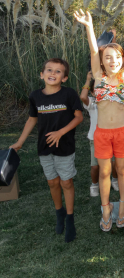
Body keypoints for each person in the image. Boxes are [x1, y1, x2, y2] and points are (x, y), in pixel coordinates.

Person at [75, 8, 124, 231]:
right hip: (103, 133)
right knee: (105, 172)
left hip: (123, 132)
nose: (113, 60)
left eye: (116, 57)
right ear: (102, 62)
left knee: (122, 171)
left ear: (121, 60)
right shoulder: (98, 77)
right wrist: (89, 26)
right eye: (108, 57)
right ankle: (106, 208)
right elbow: (93, 50)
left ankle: (122, 206)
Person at [10, 58, 83, 242]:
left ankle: (70, 218)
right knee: (52, 182)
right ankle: (59, 213)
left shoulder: (69, 94)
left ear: (64, 78)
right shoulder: (36, 96)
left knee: (66, 182)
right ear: (41, 74)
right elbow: (32, 119)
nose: (53, 74)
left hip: (64, 147)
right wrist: (20, 142)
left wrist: (61, 132)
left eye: (58, 71)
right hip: (44, 147)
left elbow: (78, 117)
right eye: (49, 70)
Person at [80, 71, 119, 197]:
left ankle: (115, 180)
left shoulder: (112, 101)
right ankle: (94, 184)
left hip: (112, 138)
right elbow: (83, 97)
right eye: (97, 89)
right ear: (92, 92)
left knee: (114, 163)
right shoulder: (92, 103)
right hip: (96, 139)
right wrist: (88, 80)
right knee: (95, 166)